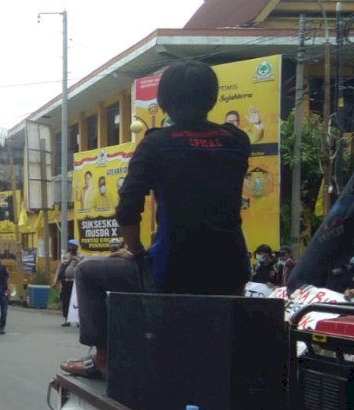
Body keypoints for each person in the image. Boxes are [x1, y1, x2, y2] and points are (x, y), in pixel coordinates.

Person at [61, 61, 251, 379]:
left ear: (163, 101)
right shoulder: (236, 141)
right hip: (230, 270)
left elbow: (126, 210)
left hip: (174, 270)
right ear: (212, 98)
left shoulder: (157, 144)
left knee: (88, 271)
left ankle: (103, 358)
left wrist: (135, 251)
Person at [54, 240, 82, 327]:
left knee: (76, 301)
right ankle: (67, 319)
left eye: (73, 247)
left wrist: (76, 259)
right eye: (70, 247)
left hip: (75, 283)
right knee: (65, 300)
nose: (71, 249)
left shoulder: (80, 257)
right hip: (65, 282)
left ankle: (78, 321)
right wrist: (55, 280)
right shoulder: (64, 257)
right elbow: (59, 268)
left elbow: (83, 265)